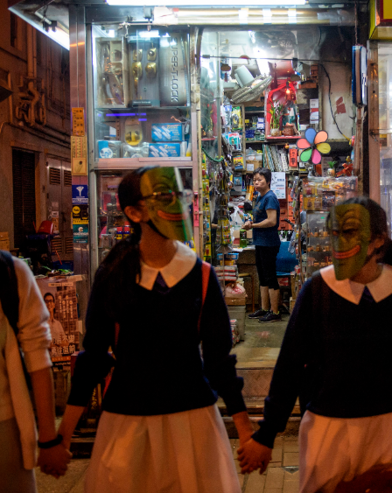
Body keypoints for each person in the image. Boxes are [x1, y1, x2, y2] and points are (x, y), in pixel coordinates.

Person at [237, 197, 392, 493]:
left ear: (378, 240)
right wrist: (266, 436)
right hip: (330, 434)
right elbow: (289, 367)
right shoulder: (318, 289)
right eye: (335, 232)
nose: (340, 241)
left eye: (350, 231)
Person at [57, 167, 254, 493]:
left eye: (179, 195)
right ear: (133, 212)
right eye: (165, 197)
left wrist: (246, 432)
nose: (178, 205)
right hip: (126, 424)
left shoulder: (201, 275)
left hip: (192, 423)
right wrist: (61, 439)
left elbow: (219, 362)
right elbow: (93, 357)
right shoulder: (114, 274)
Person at [0, 251, 71, 491]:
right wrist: (50, 441)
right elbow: (39, 360)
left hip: (6, 432)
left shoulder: (10, 274)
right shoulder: (12, 272)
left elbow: (39, 359)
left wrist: (49, 440)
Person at [245, 167, 282, 322]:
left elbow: (272, 221)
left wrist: (253, 226)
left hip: (269, 243)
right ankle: (265, 308)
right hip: (260, 242)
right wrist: (251, 222)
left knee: (270, 276)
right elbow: (260, 218)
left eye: (259, 179)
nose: (256, 182)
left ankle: (275, 311)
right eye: (254, 180)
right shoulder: (259, 197)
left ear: (268, 181)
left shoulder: (270, 197)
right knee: (262, 276)